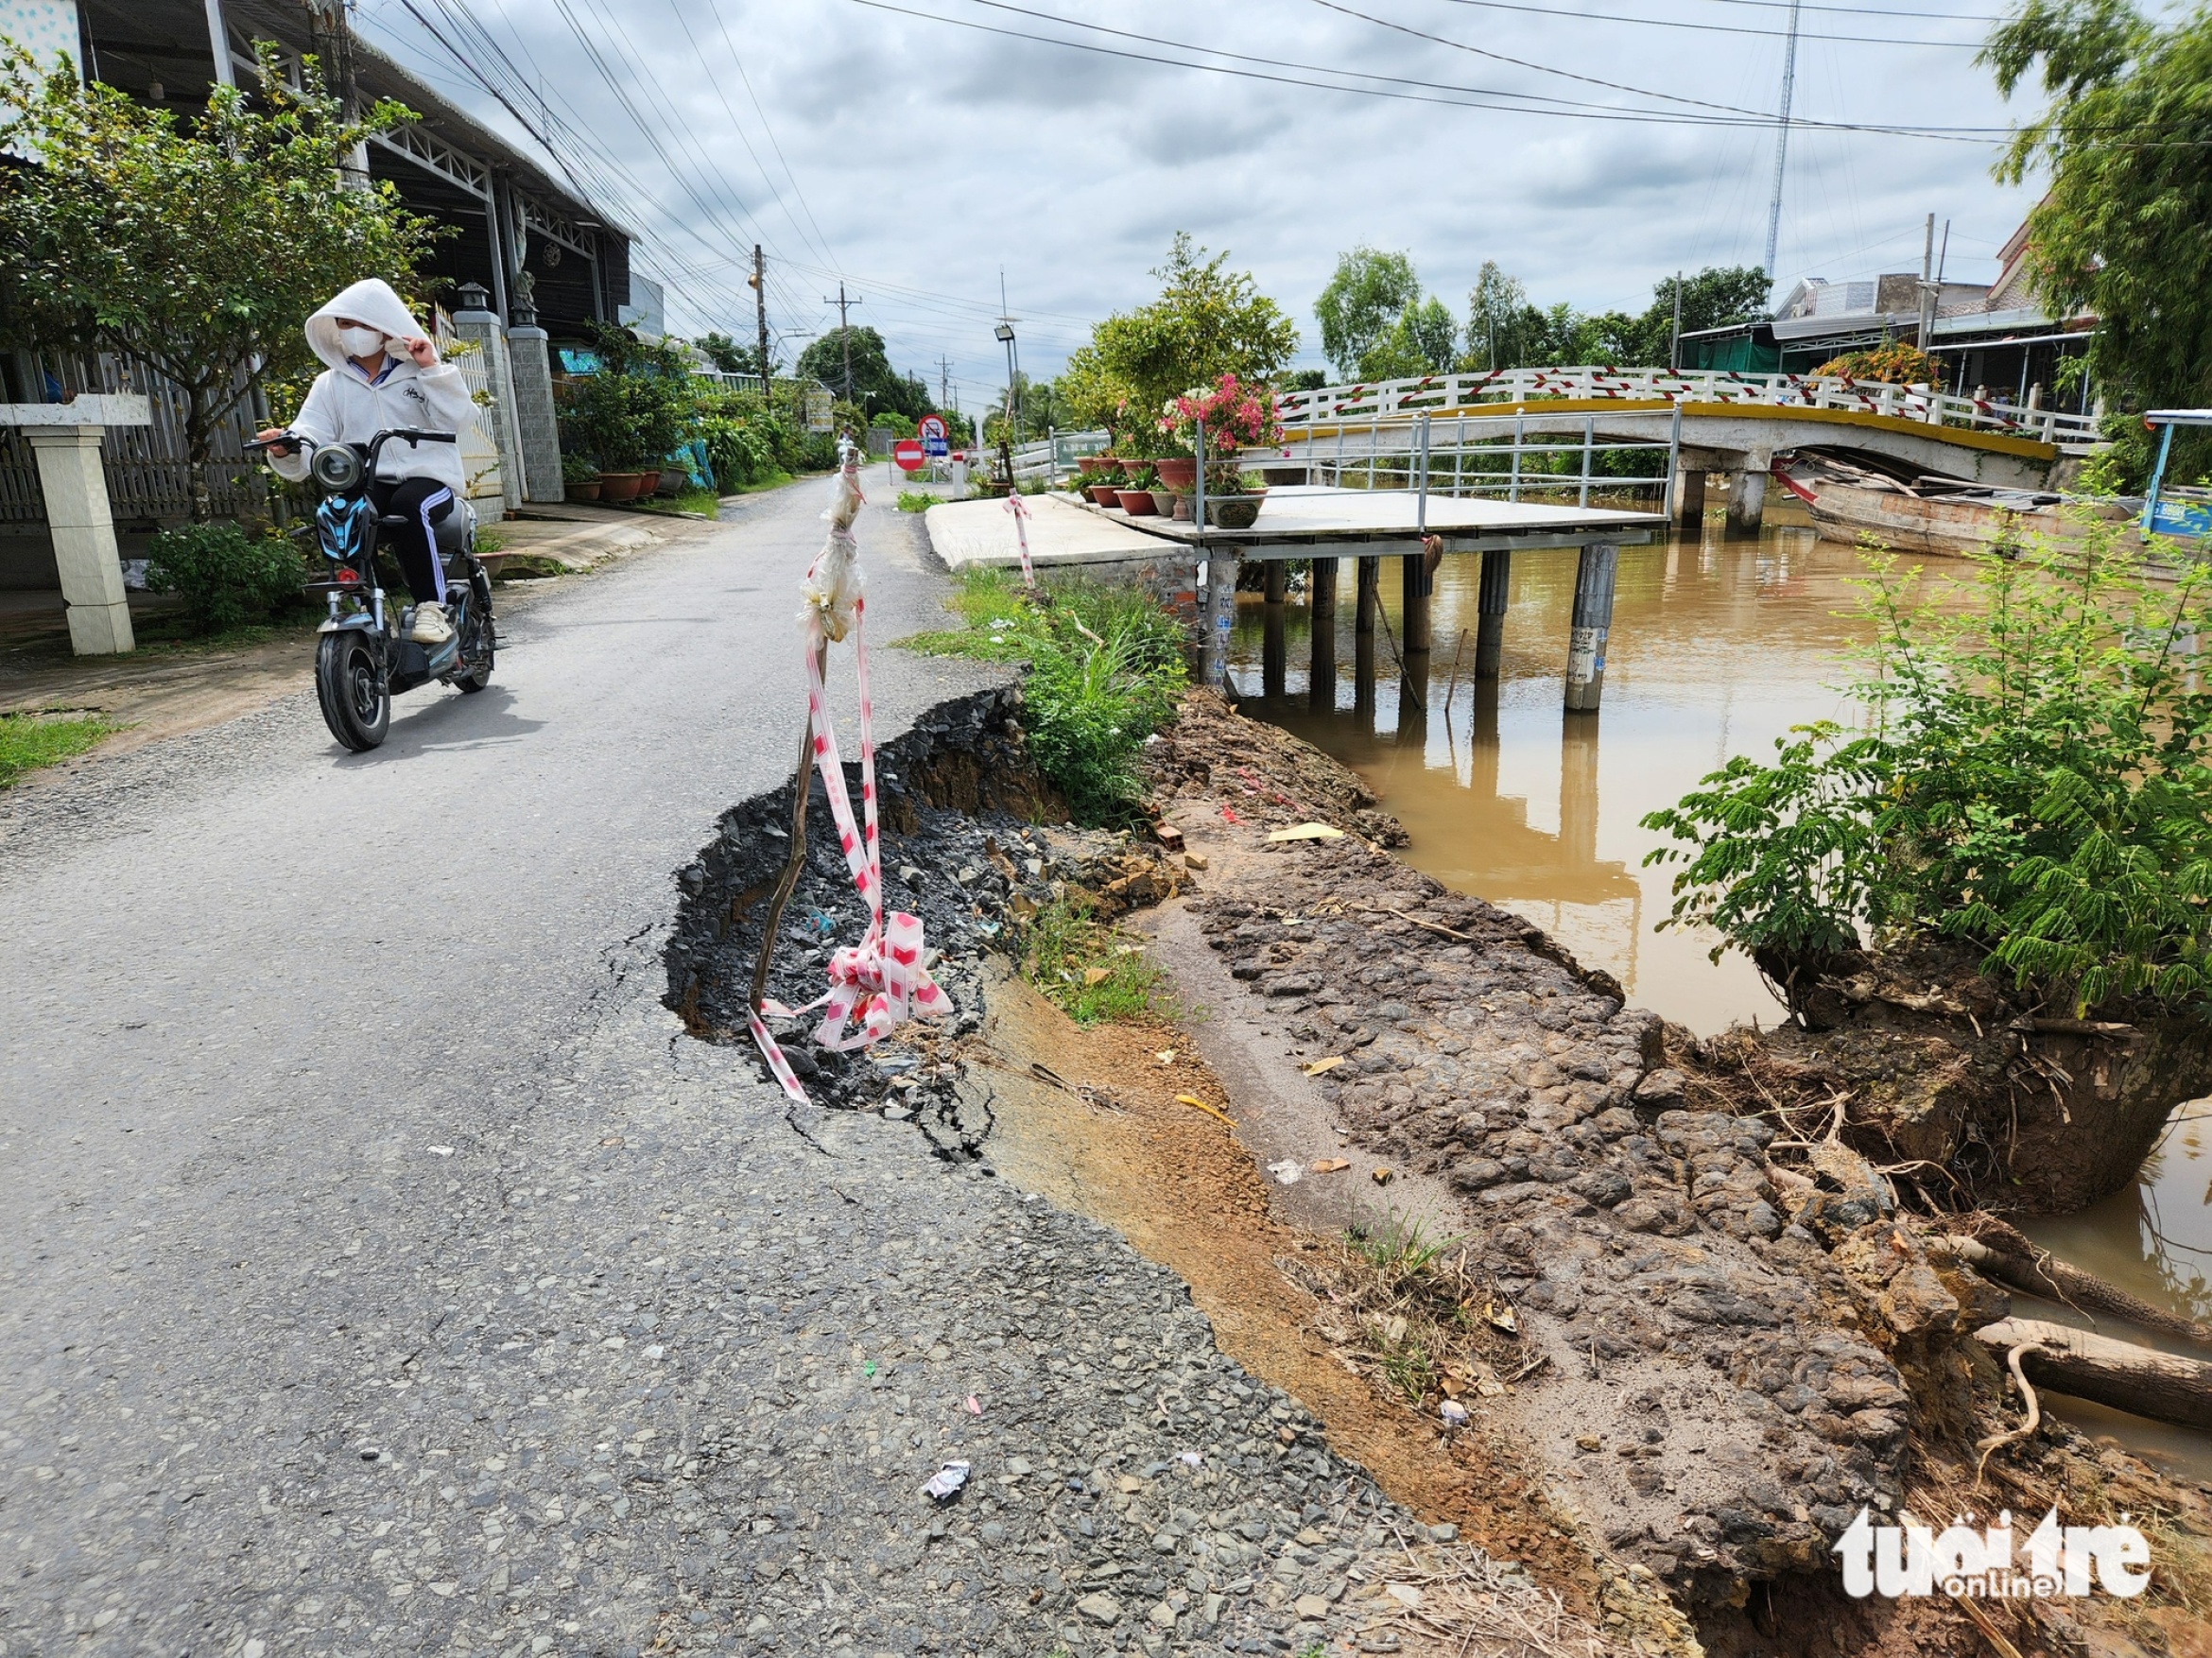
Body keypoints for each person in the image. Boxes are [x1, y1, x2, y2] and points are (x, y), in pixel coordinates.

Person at [258, 279, 475, 645]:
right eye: (345, 324)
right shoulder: (331, 384)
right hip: (371, 480)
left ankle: (431, 607)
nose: (355, 332)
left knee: (409, 505)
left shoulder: (417, 372)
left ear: (384, 327)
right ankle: (361, 601)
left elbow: (457, 419)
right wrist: (287, 446)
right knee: (342, 510)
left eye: (364, 323)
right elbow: (310, 431)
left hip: (430, 479)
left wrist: (432, 368)